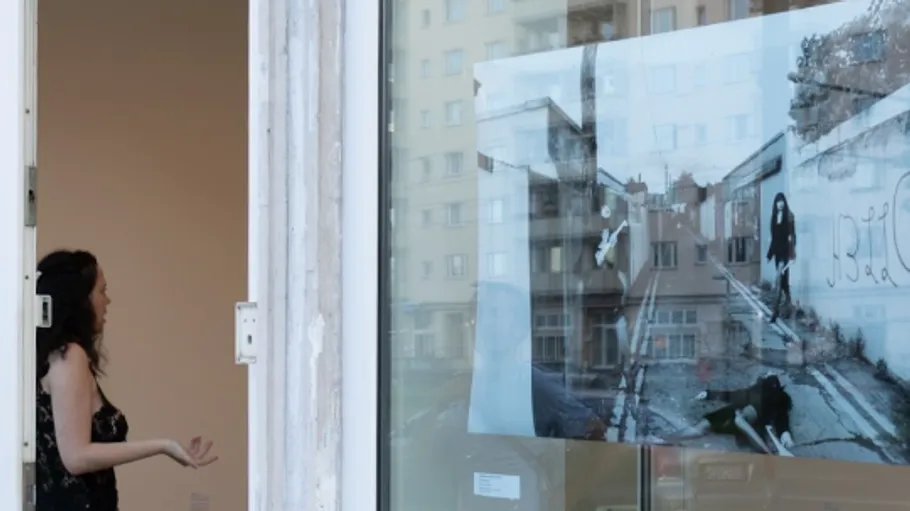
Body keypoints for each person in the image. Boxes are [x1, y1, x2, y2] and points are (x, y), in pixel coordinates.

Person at [36, 249, 218, 510]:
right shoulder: (69, 356)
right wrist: (164, 446)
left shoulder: (54, 356)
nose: (107, 301)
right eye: (102, 291)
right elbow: (76, 457)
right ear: (80, 300)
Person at [662, 373, 794, 455]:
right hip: (739, 413)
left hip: (737, 412)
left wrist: (784, 431)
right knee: (705, 426)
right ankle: (662, 440)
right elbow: (782, 417)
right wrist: (784, 432)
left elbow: (732, 395)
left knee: (700, 428)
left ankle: (663, 439)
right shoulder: (777, 395)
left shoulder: (775, 395)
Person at [767, 192, 796, 323]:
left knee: (778, 284)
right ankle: (789, 308)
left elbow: (792, 237)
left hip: (785, 255)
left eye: (782, 201)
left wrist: (792, 255)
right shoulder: (774, 218)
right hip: (778, 256)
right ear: (775, 203)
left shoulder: (789, 217)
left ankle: (774, 313)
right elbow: (774, 239)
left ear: (784, 202)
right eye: (778, 201)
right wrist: (769, 254)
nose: (780, 203)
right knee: (784, 284)